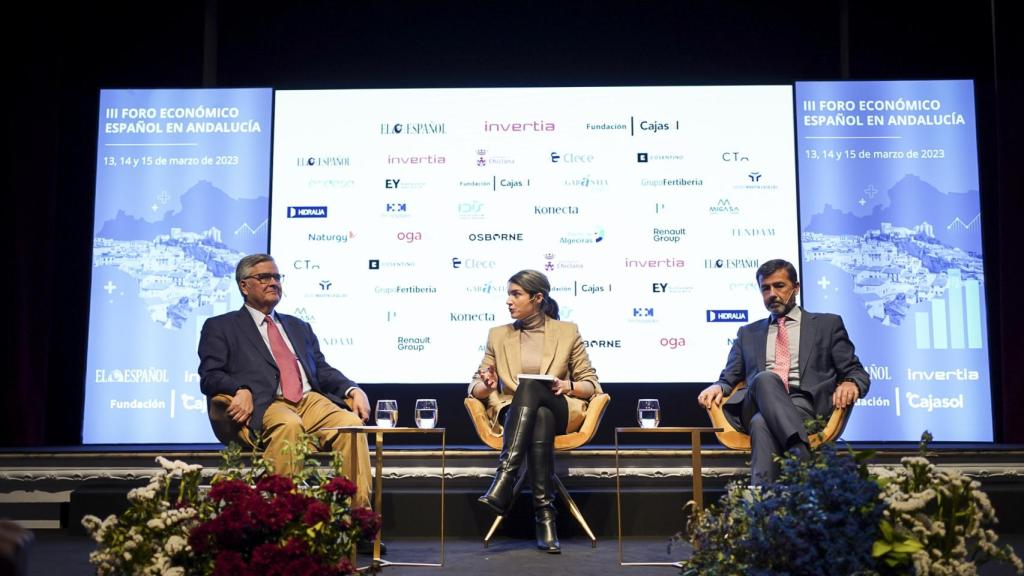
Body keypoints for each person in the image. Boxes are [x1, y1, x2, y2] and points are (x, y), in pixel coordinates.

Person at [198, 253, 383, 552]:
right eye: (265, 277)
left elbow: (321, 370)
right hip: (267, 403)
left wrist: (351, 389)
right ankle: (285, 522)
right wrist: (239, 387)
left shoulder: (299, 326)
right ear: (244, 286)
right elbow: (210, 376)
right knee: (289, 424)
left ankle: (357, 521)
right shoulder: (221, 326)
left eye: (277, 277)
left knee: (351, 425)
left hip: (310, 400)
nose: (273, 282)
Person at [697, 259, 869, 485]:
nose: (772, 294)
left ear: (796, 288)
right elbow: (729, 378)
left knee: (761, 423)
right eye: (765, 288)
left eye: (779, 286)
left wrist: (851, 383)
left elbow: (856, 371)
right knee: (766, 379)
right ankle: (801, 455)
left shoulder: (827, 325)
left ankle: (762, 503)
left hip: (804, 406)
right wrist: (718, 386)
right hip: (756, 401)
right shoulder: (748, 333)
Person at [470, 269, 601, 554]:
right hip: (520, 414)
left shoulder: (567, 332)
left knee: (530, 388)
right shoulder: (498, 335)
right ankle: (545, 518)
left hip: (560, 406)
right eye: (508, 294)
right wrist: (486, 383)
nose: (508, 301)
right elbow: (476, 387)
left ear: (537, 298)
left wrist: (566, 385)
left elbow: (592, 385)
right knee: (538, 414)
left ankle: (505, 477)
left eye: (516, 294)